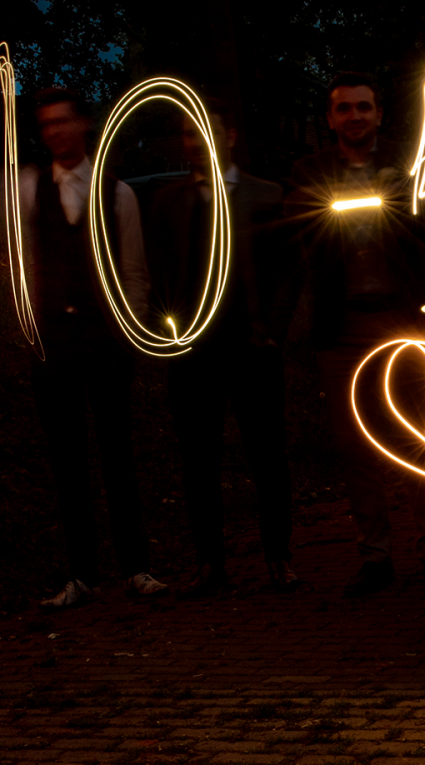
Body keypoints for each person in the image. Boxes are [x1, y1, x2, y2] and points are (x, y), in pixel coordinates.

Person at [285, 71, 425, 597]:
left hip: (404, 317)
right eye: (344, 109)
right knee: (356, 444)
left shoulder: (411, 165)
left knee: (421, 438)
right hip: (343, 327)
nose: (355, 116)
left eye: (364, 107)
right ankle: (375, 556)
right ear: (331, 118)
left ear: (379, 114)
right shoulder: (309, 172)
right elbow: (301, 236)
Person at [19, 87, 166, 608]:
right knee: (67, 461)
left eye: (63, 121)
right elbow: (16, 260)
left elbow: (134, 270)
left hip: (105, 341)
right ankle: (81, 573)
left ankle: (136, 568)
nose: (54, 132)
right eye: (45, 125)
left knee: (117, 455)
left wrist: (134, 336)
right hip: (53, 344)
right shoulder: (27, 189)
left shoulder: (117, 193)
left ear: (85, 125)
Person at [147, 102, 300, 597]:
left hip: (253, 346)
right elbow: (160, 271)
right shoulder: (167, 201)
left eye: (205, 134)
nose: (196, 144)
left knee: (267, 458)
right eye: (189, 136)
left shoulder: (266, 193)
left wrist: (273, 329)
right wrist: (164, 330)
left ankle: (279, 557)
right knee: (198, 460)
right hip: (192, 351)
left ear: (229, 136)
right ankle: (210, 563)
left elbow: (288, 271)